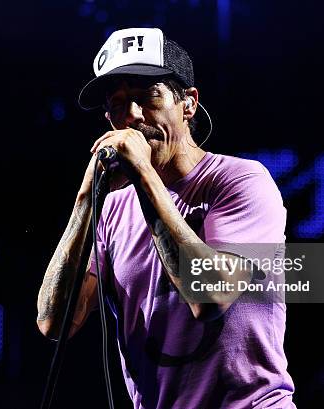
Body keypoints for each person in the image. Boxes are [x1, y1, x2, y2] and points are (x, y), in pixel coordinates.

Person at [37, 28, 296, 408]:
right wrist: (85, 201)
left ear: (188, 103)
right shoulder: (111, 209)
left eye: (146, 97)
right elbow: (54, 323)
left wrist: (143, 175)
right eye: (118, 104)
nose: (131, 116)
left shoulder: (240, 182)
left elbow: (211, 295)